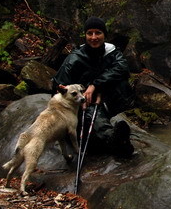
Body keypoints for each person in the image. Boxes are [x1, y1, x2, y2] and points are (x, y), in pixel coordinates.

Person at [52, 16, 135, 158]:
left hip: (104, 97)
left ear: (104, 35)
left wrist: (95, 85)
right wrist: (78, 99)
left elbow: (122, 68)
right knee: (92, 113)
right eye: (90, 33)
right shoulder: (74, 59)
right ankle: (112, 138)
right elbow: (58, 87)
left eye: (98, 33)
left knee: (122, 82)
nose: (94, 37)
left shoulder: (112, 52)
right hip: (81, 104)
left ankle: (115, 122)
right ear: (85, 36)